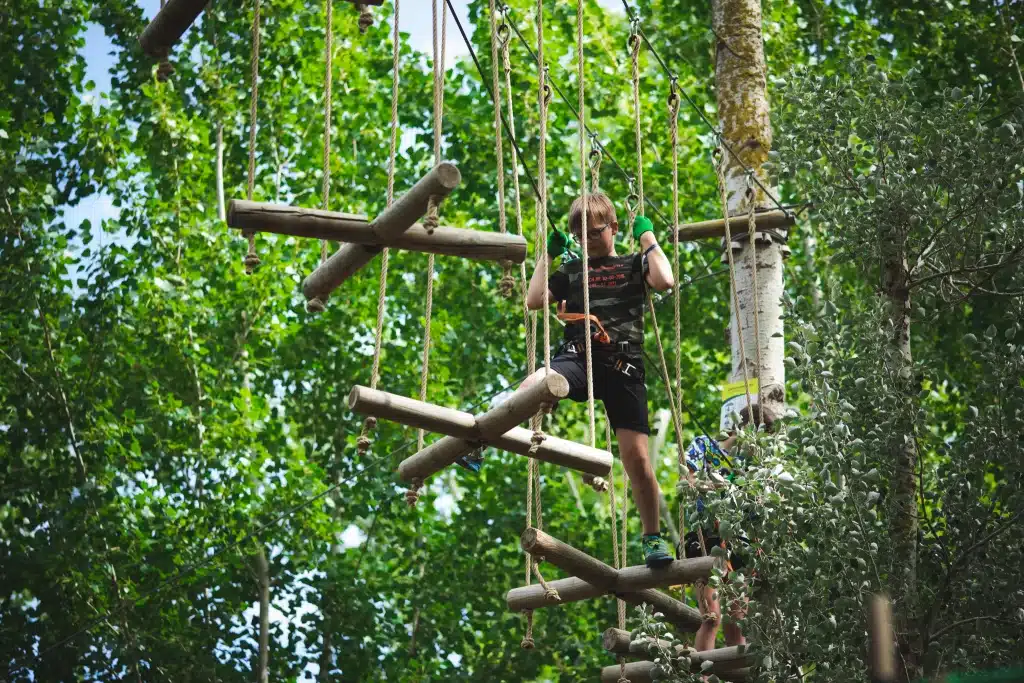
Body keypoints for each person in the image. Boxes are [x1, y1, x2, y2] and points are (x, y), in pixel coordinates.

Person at [493, 191, 676, 568]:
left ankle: (652, 537)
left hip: (624, 365)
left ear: (613, 228)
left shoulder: (633, 263)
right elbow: (534, 300)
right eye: (581, 237)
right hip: (580, 356)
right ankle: (486, 435)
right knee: (534, 385)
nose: (588, 241)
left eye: (595, 233)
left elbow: (665, 280)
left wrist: (648, 238)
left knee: (638, 459)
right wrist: (549, 255)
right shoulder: (573, 271)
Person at [683, 405, 773, 651]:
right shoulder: (704, 445)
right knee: (712, 618)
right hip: (705, 537)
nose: (759, 447)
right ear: (743, 430)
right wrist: (716, 485)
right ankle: (702, 675)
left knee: (738, 619)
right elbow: (687, 481)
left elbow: (756, 515)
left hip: (739, 543)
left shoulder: (756, 467)